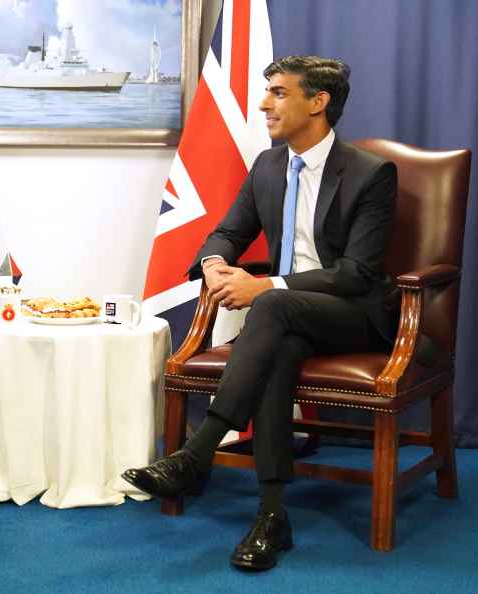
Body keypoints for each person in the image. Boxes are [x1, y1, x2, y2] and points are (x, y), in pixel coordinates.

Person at [123, 56, 399, 571]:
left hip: (355, 315)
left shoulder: (370, 174)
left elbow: (357, 272)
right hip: (288, 319)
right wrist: (213, 264)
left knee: (271, 305)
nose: (263, 103)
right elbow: (228, 232)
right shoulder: (269, 166)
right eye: (265, 92)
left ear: (318, 103)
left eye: (277, 93)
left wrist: (265, 284)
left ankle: (197, 452)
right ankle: (273, 515)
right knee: (278, 345)